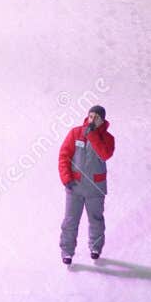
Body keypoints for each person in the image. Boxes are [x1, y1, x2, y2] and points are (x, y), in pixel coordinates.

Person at [58, 105, 115, 266]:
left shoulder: (108, 139)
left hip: (95, 189)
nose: (92, 119)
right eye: (90, 116)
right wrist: (66, 178)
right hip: (74, 187)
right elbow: (64, 156)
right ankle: (67, 251)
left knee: (96, 220)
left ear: (102, 120)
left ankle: (95, 248)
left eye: (96, 117)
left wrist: (93, 135)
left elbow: (105, 154)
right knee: (70, 221)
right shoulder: (75, 133)